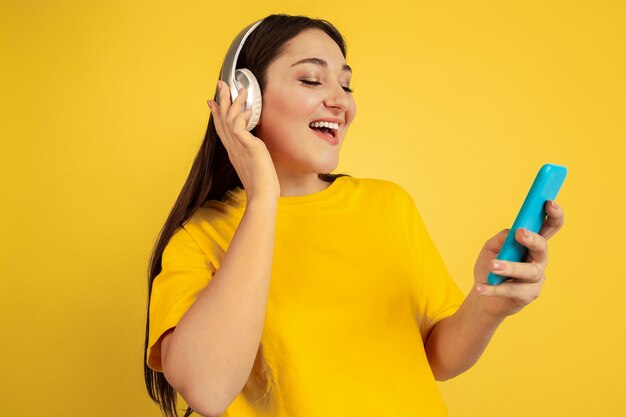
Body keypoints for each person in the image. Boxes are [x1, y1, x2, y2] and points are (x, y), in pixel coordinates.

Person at [143, 13, 565, 417]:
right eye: (311, 79)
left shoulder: (388, 204)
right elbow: (208, 390)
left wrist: (489, 305)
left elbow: (437, 358)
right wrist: (263, 199)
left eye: (346, 85)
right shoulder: (201, 237)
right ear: (244, 99)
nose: (339, 101)